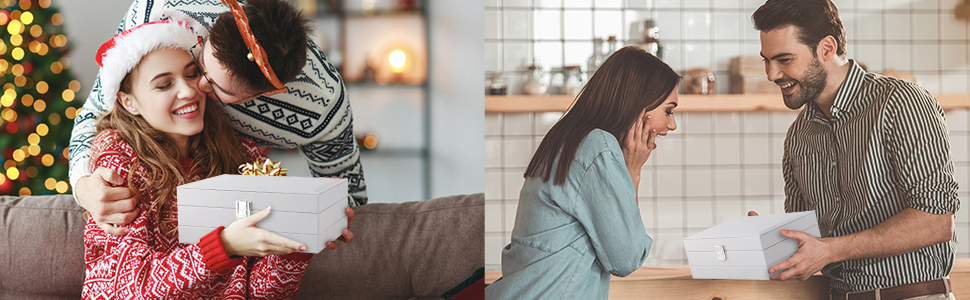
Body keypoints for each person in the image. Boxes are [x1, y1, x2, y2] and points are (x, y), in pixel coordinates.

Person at [69, 0, 365, 239]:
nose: (194, 88)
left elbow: (347, 194)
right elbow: (96, 107)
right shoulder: (160, 9)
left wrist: (331, 219)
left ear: (255, 97)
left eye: (215, 86)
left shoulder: (324, 112)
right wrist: (83, 186)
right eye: (199, 64)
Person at [82, 20, 312, 299]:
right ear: (129, 102)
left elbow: (262, 292)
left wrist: (299, 241)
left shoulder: (243, 157)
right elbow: (128, 288)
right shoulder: (118, 160)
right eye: (164, 84)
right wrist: (223, 246)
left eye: (191, 75)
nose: (189, 91)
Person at [751, 0, 958, 298]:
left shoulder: (900, 103)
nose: (771, 74)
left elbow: (936, 221)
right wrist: (774, 240)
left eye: (784, 59)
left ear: (827, 48)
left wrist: (830, 250)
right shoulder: (799, 135)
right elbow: (811, 244)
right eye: (766, 60)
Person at [485, 46, 679, 299]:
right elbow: (627, 258)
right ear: (641, 106)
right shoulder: (596, 147)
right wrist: (633, 171)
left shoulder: (569, 138)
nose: (672, 125)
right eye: (669, 110)